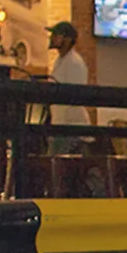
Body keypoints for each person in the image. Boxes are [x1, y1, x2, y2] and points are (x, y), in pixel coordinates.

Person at [46, 22, 93, 155]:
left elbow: (74, 97)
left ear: (67, 39)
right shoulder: (60, 61)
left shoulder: (74, 63)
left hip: (71, 127)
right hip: (61, 126)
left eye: (56, 35)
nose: (52, 38)